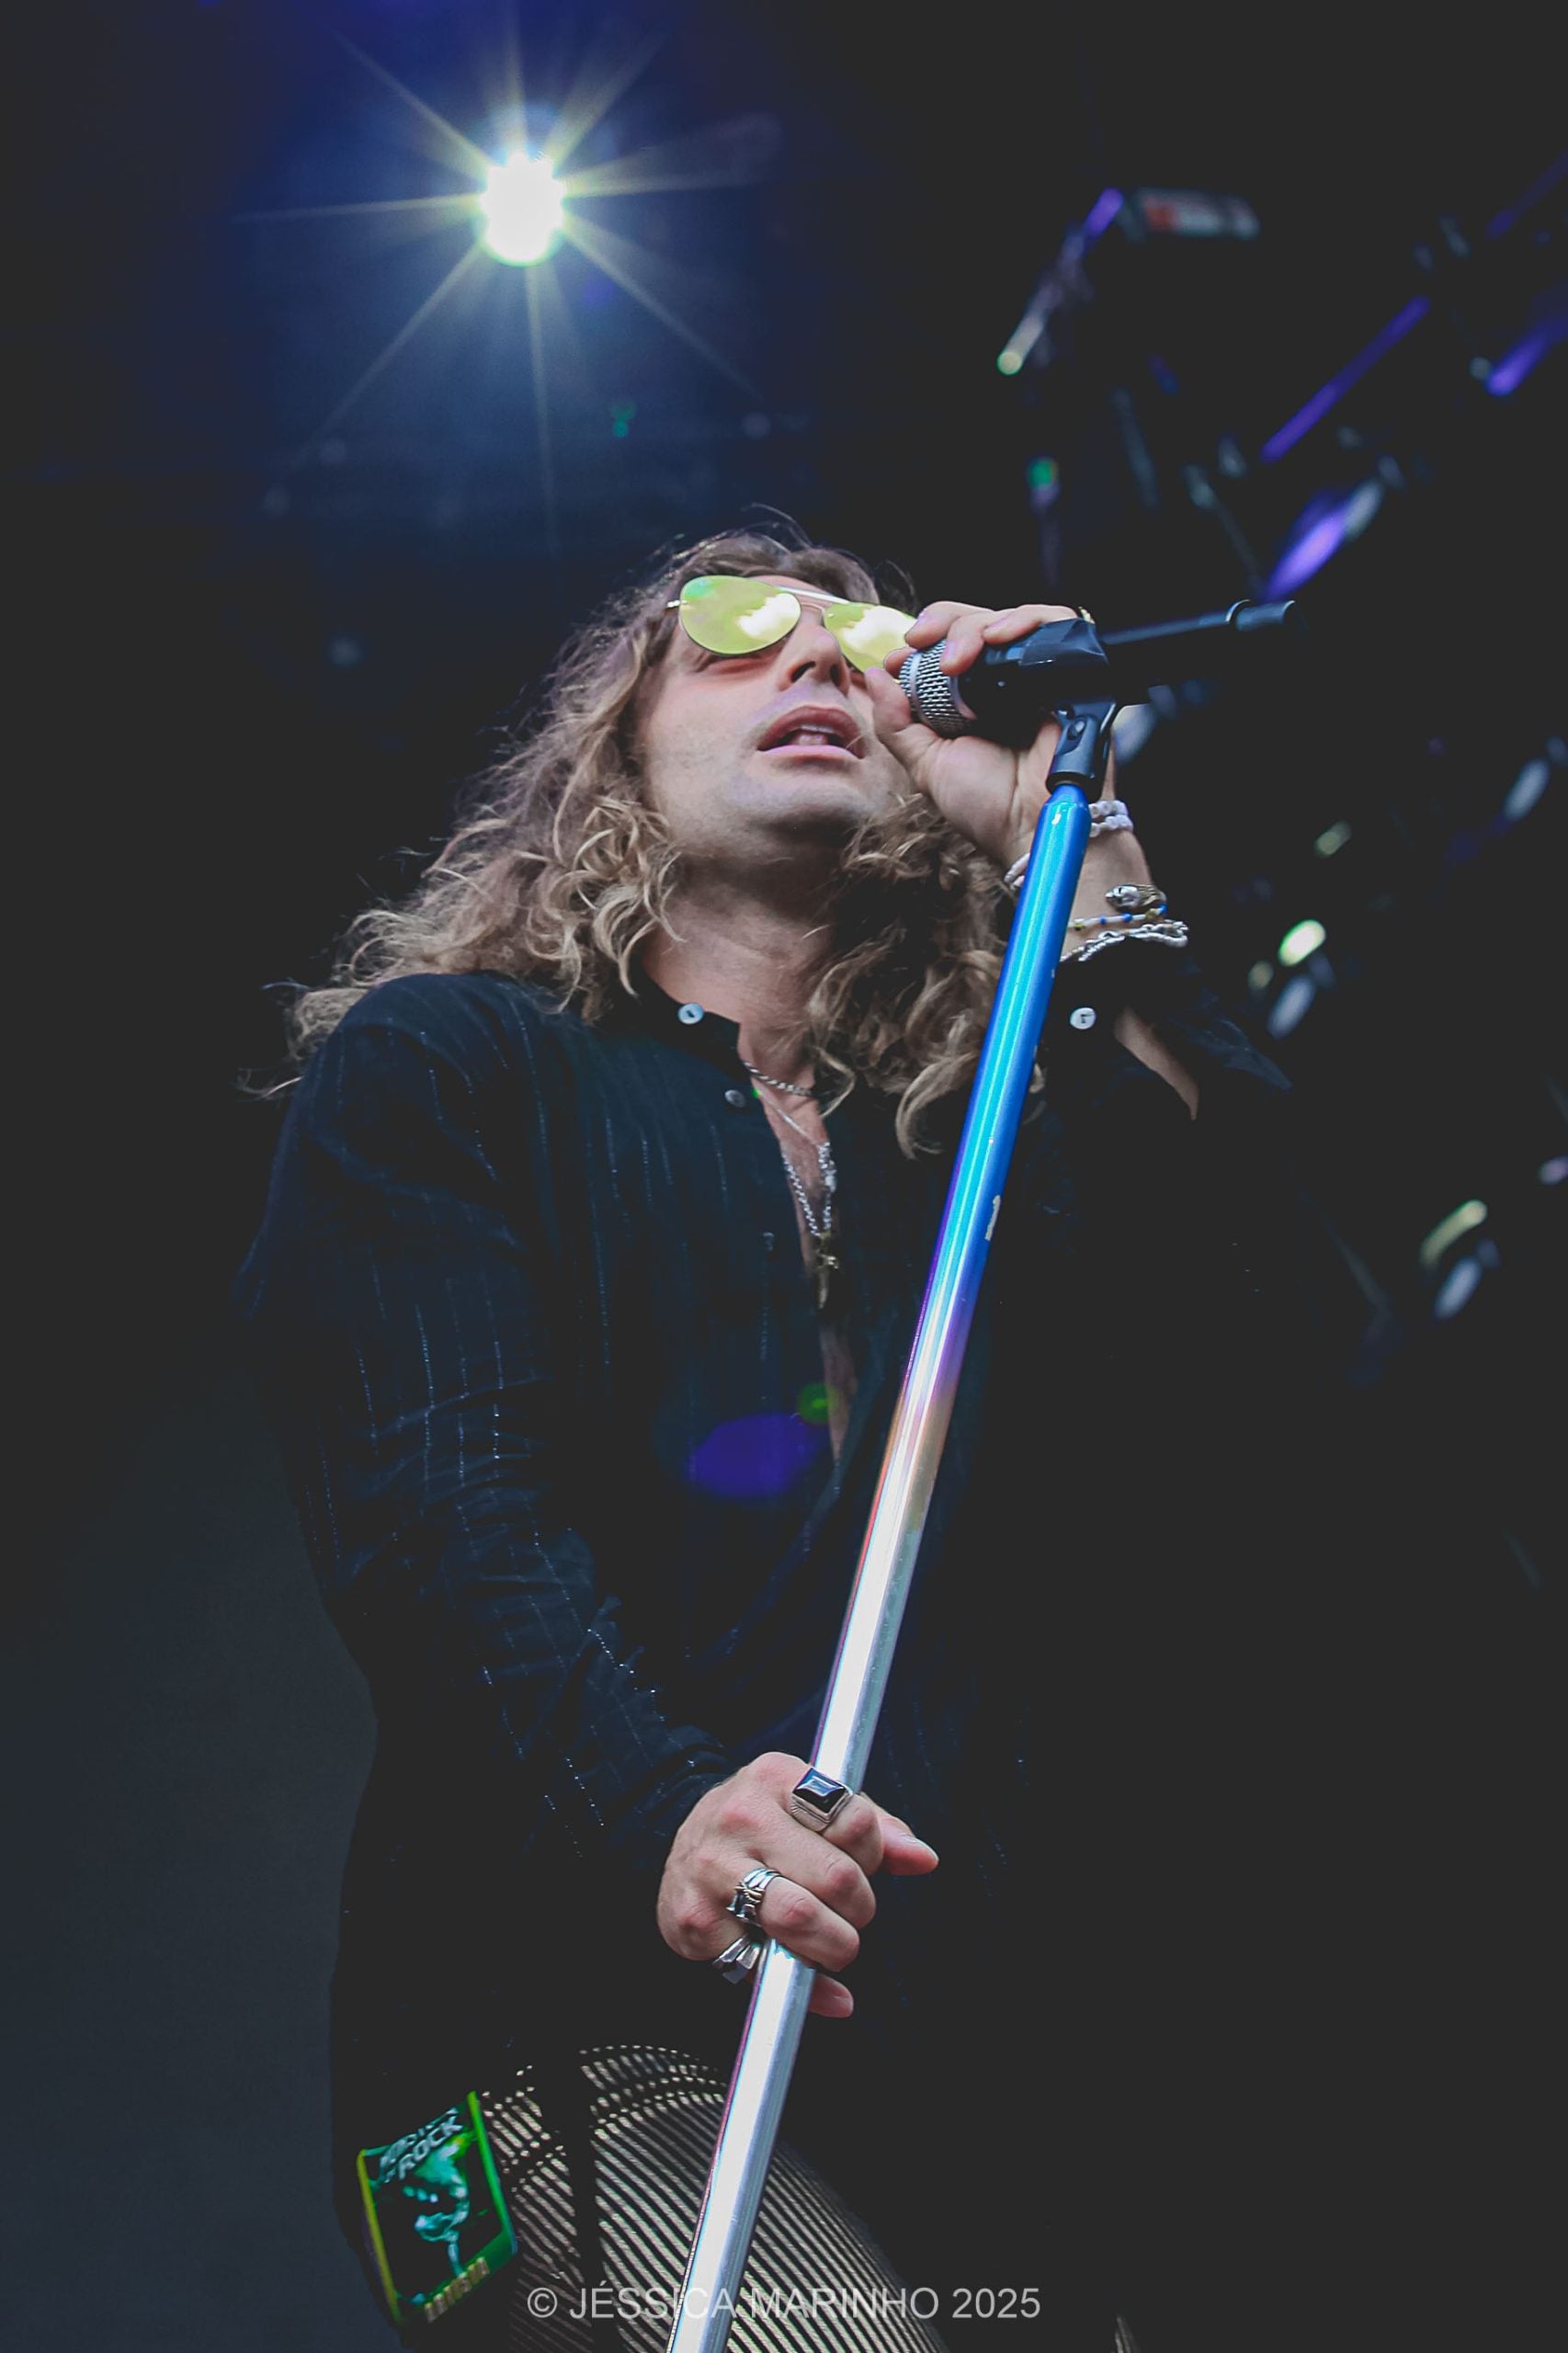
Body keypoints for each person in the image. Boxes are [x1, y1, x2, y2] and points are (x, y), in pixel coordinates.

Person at [237, 526, 1352, 2352]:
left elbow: (1267, 1338)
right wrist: (665, 1807)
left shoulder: (971, 1144)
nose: (819, 659)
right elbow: (436, 1520)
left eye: (858, 640)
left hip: (956, 2051)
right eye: (737, 634)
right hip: (534, 2044)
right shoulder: (447, 1067)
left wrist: (1074, 847)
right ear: (616, 746)